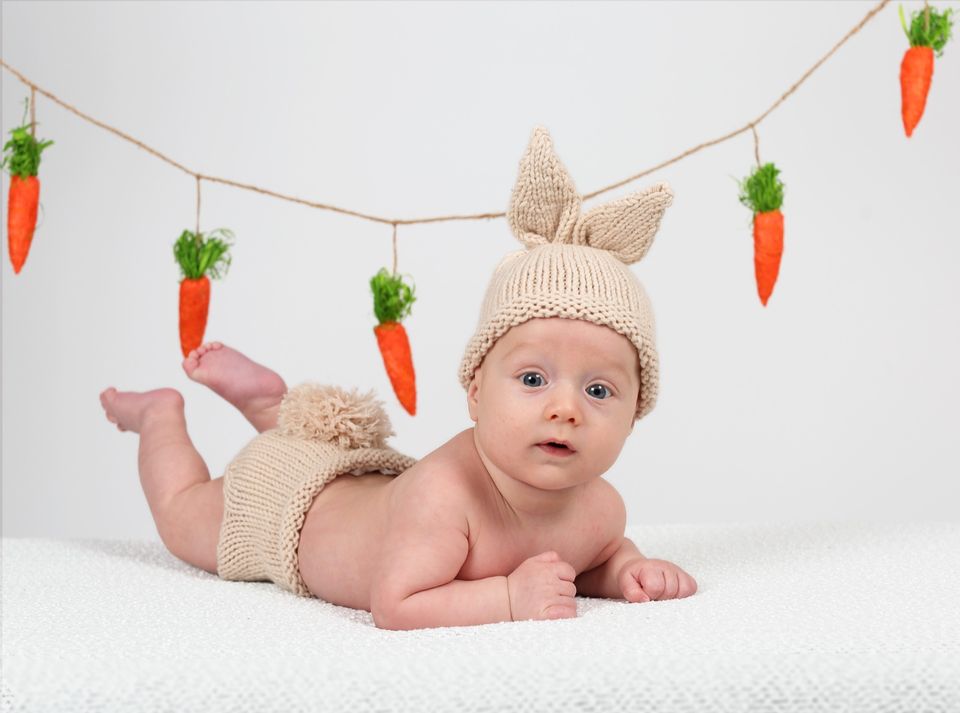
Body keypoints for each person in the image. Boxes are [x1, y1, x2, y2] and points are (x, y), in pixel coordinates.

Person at [99, 127, 697, 630]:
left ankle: (271, 404)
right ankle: (159, 417)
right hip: (284, 511)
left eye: (598, 390)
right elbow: (396, 602)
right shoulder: (444, 498)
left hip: (354, 474)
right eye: (534, 379)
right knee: (182, 517)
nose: (566, 408)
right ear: (474, 392)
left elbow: (581, 561)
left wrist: (623, 570)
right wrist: (508, 599)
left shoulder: (602, 511)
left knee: (310, 447)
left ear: (636, 412)